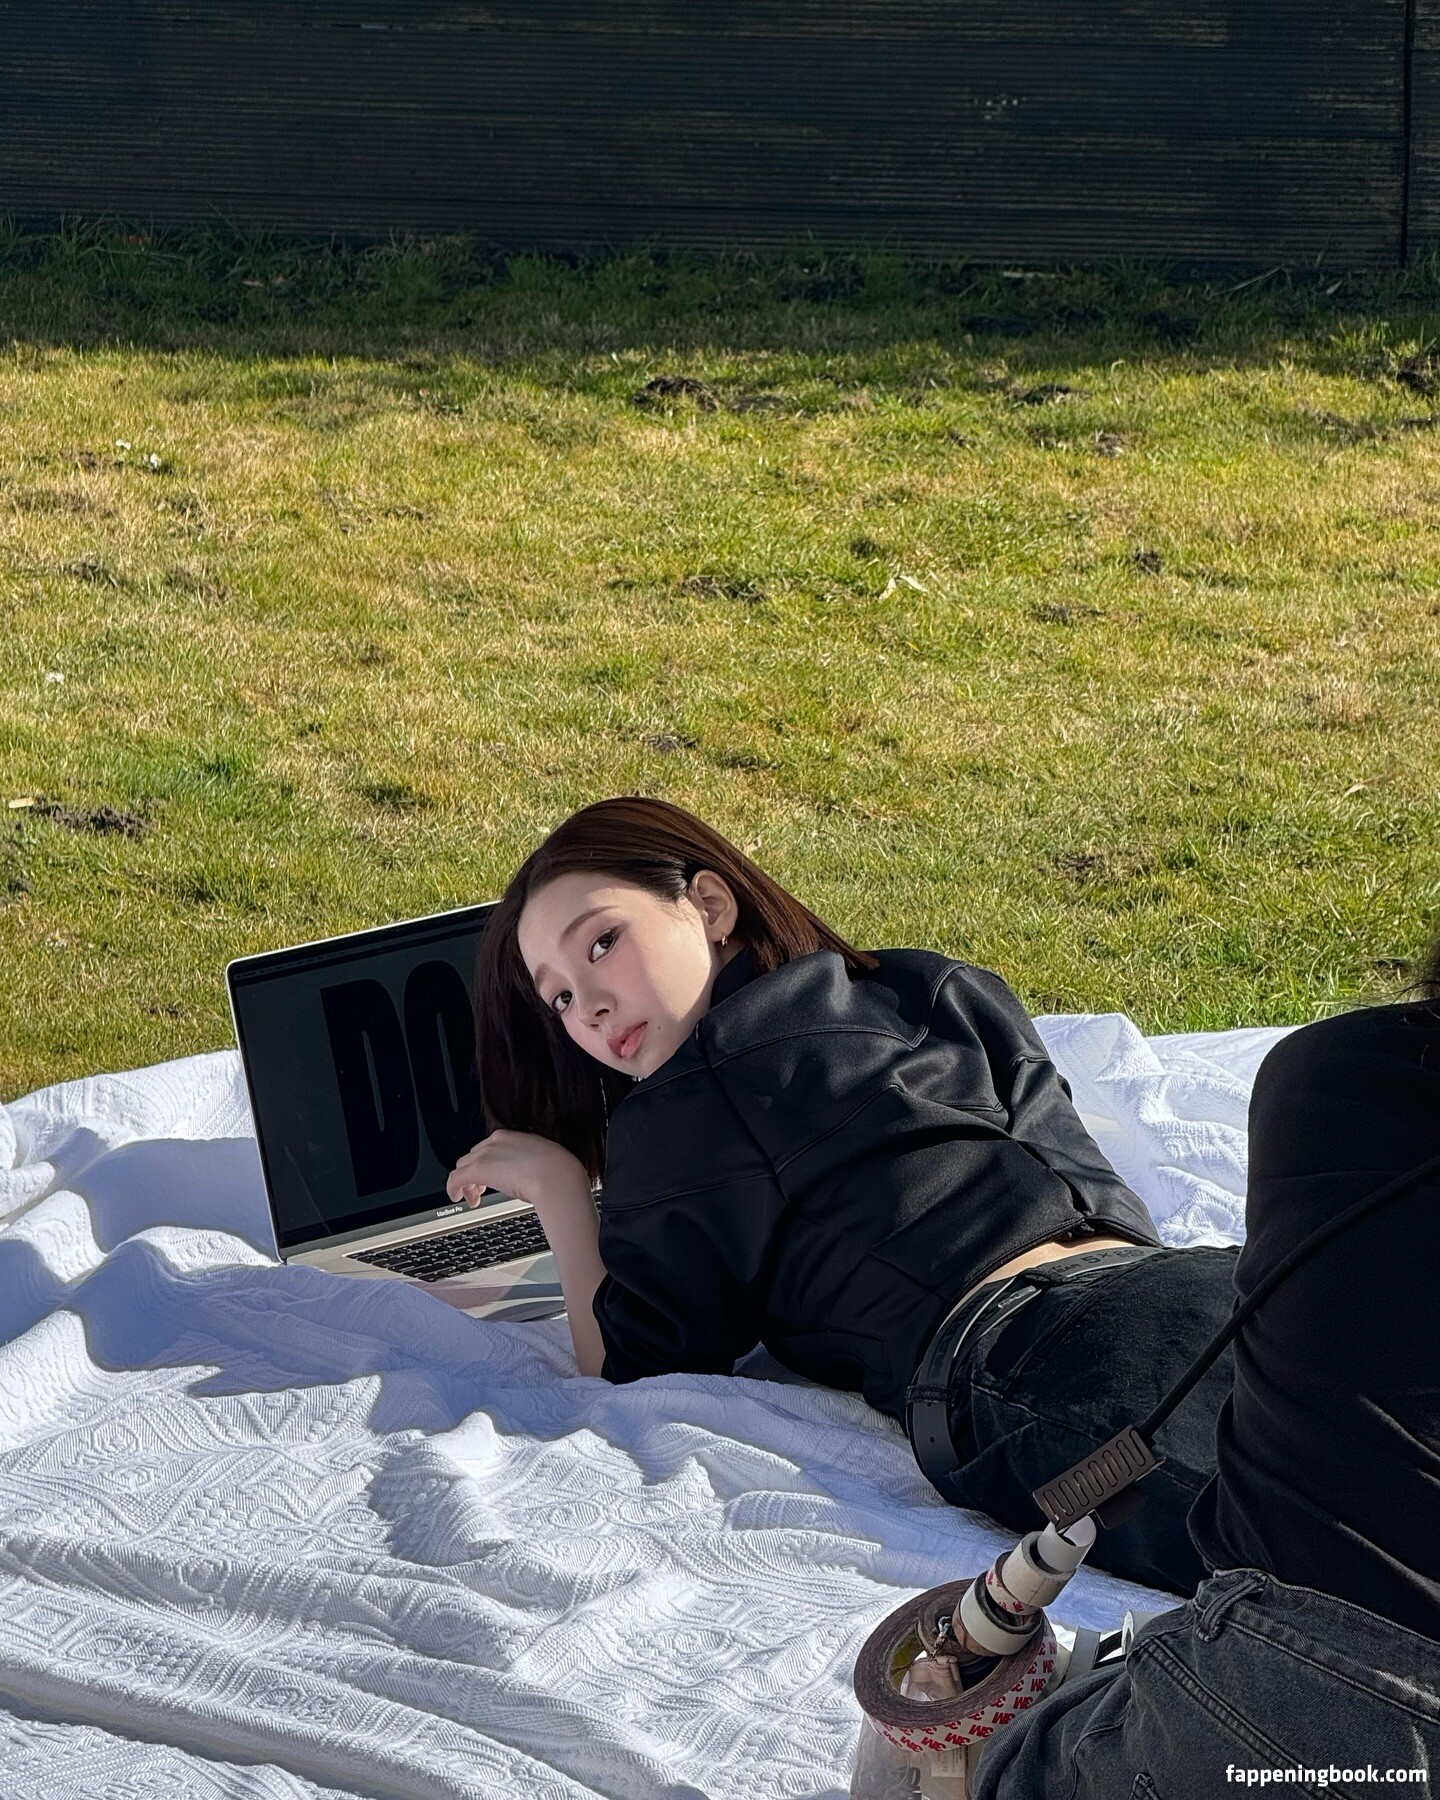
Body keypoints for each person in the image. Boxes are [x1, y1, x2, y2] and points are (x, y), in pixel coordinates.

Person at [448, 796, 1239, 1594]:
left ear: (710, 904)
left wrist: (559, 1194)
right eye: (558, 998)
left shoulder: (673, 1117)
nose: (588, 1006)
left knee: (1289, 1554)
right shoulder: (927, 983)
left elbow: (627, 1363)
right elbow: (1081, 1170)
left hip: (1024, 1370)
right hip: (1189, 1285)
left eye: (602, 943)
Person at [969, 926, 1440, 1795]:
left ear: (715, 902)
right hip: (1113, 1308)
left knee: (982, 1756)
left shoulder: (1341, 1079)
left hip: (1309, 1692)